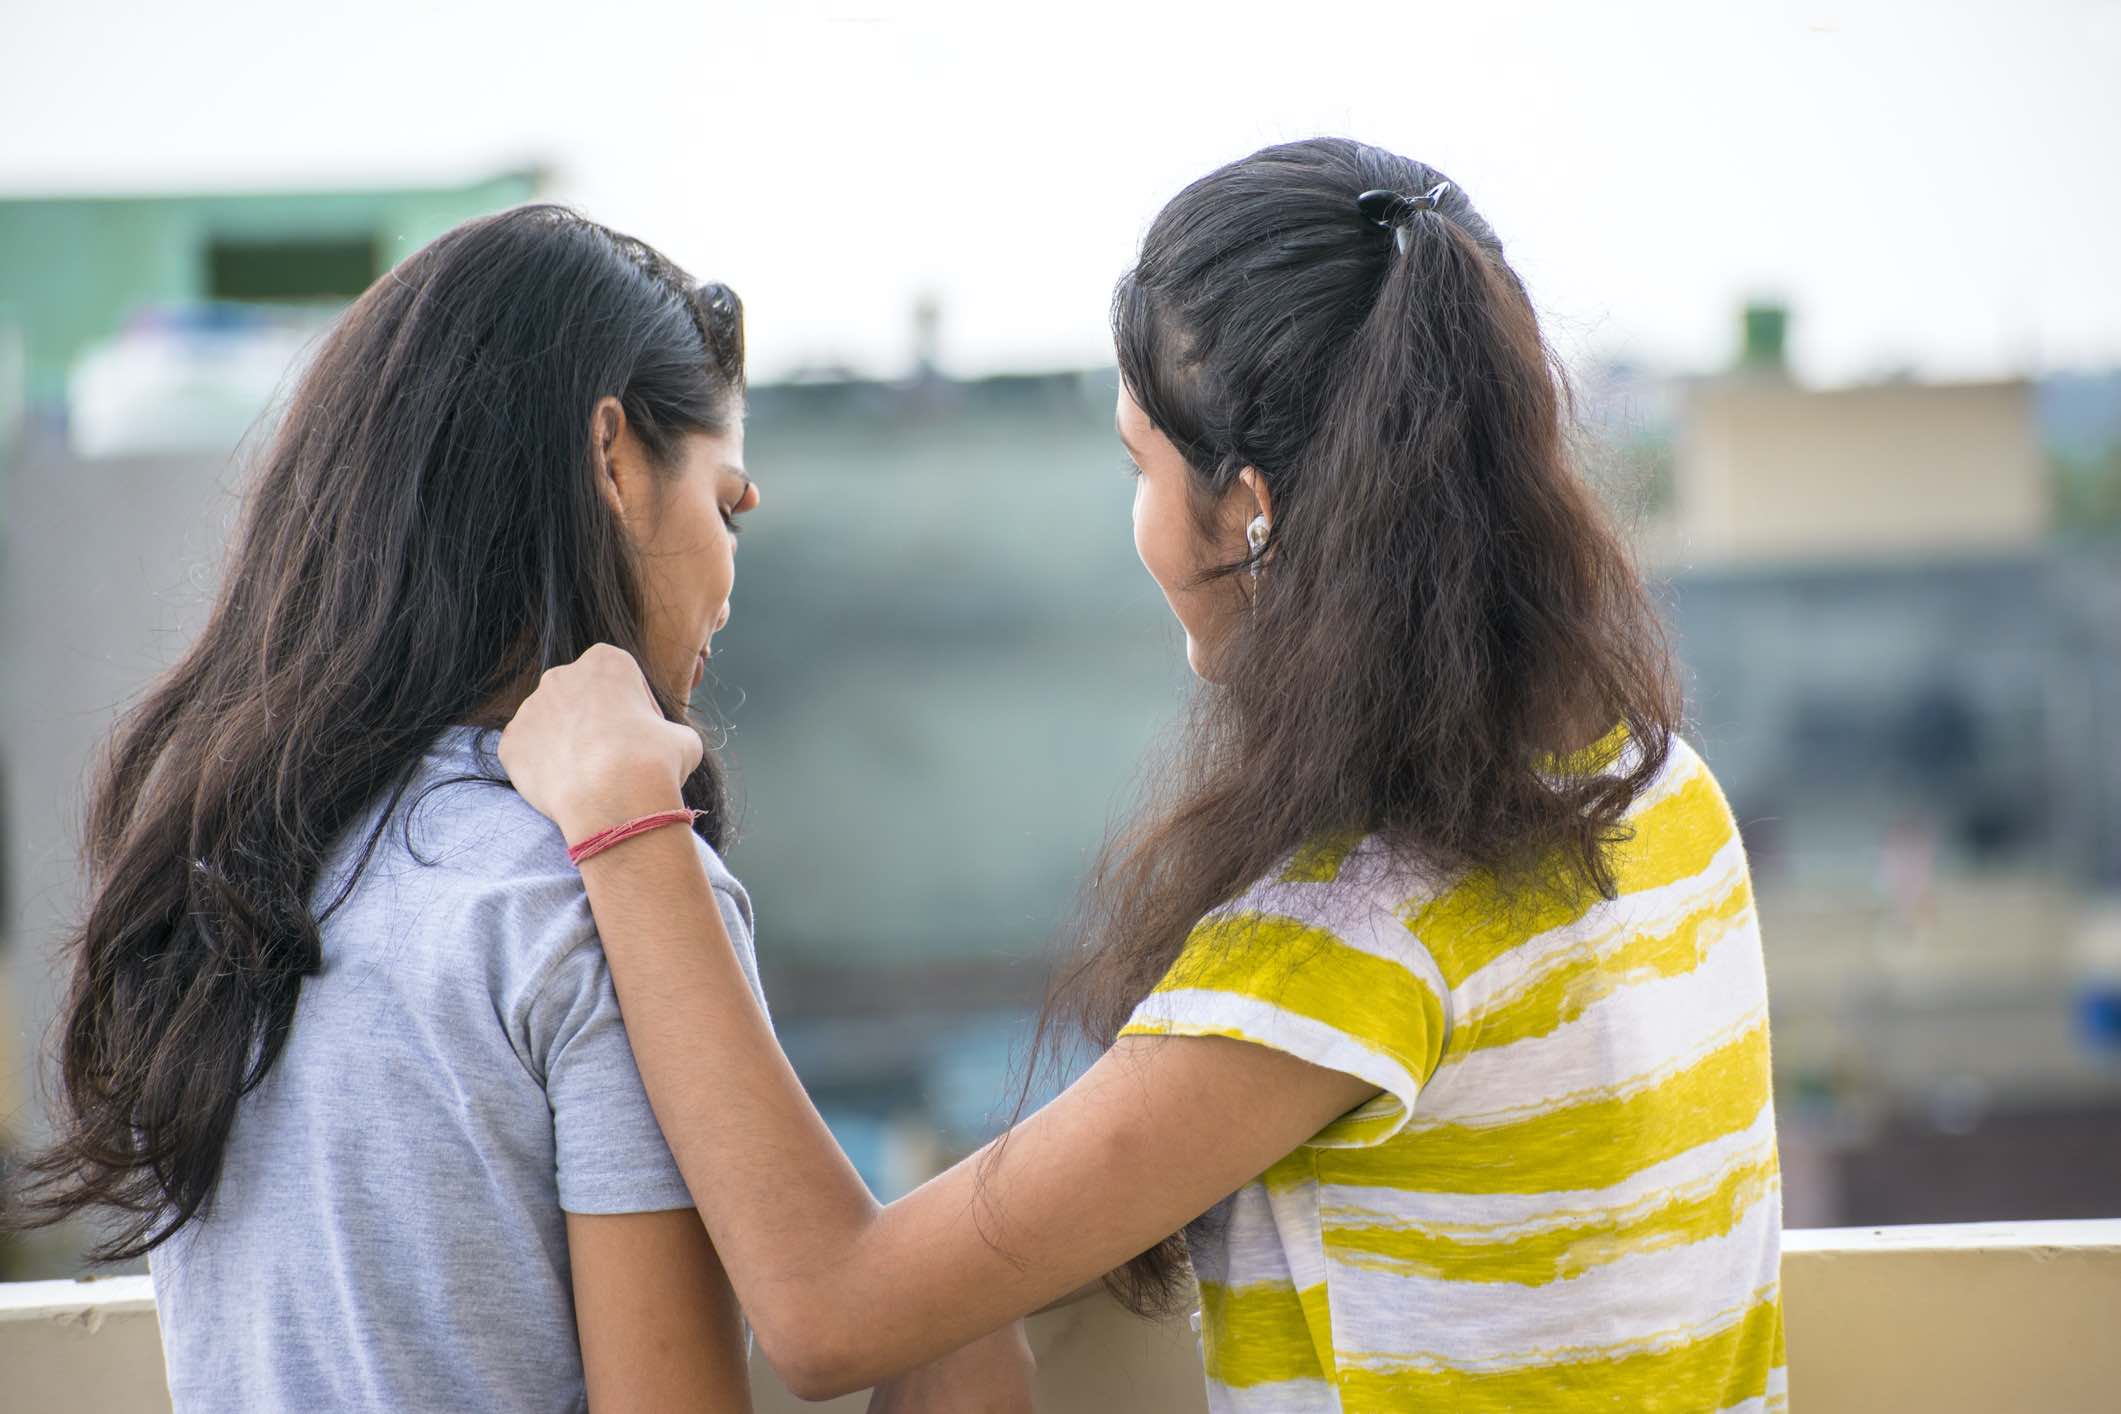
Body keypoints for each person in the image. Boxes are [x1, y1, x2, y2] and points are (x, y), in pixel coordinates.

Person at [500, 138, 1787, 1413]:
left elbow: (826, 1309)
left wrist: (632, 822)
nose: (1139, 517)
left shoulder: (1351, 943)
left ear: (1254, 513)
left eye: (1141, 465)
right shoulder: (1657, 790)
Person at [8, 204, 1029, 1412]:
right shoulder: (600, 884)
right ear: (611, 457)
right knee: (966, 1327)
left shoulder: (225, 871)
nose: (732, 568)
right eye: (728, 501)